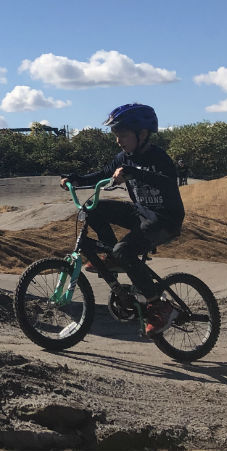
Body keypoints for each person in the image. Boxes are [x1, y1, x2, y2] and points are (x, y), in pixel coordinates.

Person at [60, 103, 184, 336]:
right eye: (116, 136)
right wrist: (76, 178)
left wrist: (132, 172)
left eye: (123, 135)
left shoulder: (158, 157)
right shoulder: (123, 157)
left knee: (125, 250)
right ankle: (109, 254)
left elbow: (166, 182)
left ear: (143, 134)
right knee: (93, 208)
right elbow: (101, 174)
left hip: (165, 219)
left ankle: (159, 305)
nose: (119, 141)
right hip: (141, 213)